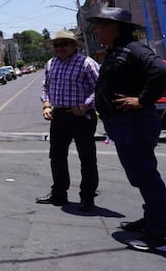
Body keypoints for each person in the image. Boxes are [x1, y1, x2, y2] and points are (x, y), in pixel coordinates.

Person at [89, 6, 166, 253]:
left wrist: (142, 100)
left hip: (134, 123)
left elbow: (163, 70)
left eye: (100, 25)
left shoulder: (134, 50)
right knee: (141, 176)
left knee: (146, 176)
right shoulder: (117, 51)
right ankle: (153, 219)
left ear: (114, 27)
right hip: (124, 125)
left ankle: (160, 233)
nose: (95, 31)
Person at [37, 29, 100, 211]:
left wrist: (86, 105)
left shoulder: (87, 63)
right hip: (59, 115)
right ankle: (59, 193)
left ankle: (87, 197)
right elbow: (45, 87)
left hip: (82, 116)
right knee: (56, 155)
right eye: (56, 45)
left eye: (64, 44)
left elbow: (101, 88)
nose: (60, 48)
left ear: (74, 45)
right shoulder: (51, 64)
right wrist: (47, 105)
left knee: (87, 157)